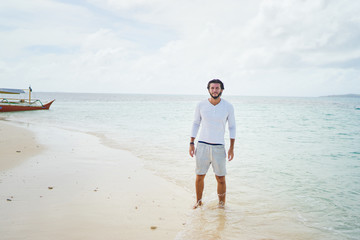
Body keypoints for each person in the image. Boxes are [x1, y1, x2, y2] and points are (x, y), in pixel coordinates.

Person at [189, 79, 236, 209]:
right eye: (212, 88)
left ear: (221, 90)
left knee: (221, 178)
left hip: (219, 147)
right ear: (208, 89)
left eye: (217, 88)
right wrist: (191, 142)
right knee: (200, 176)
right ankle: (198, 202)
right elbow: (196, 123)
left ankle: (221, 206)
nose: (215, 90)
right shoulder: (201, 105)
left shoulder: (228, 106)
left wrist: (232, 147)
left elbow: (232, 127)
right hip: (202, 145)